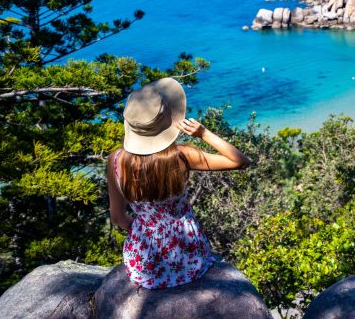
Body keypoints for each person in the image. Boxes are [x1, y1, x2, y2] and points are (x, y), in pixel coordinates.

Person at [106, 77, 250, 289]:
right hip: (189, 253)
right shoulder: (182, 156)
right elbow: (240, 161)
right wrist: (203, 133)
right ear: (168, 120)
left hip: (145, 262)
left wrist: (144, 231)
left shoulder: (116, 162)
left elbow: (118, 217)